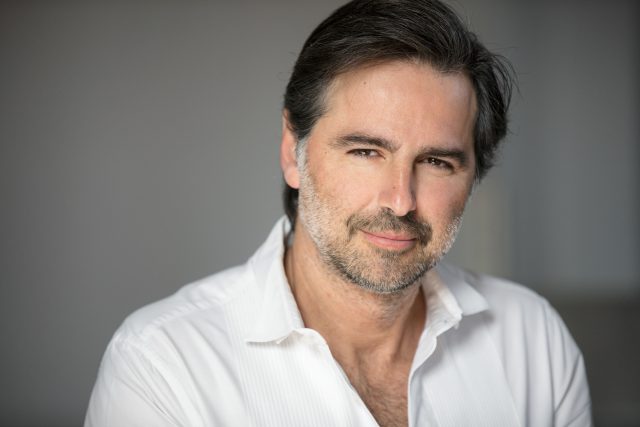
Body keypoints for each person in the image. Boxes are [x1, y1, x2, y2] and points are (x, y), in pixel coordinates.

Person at [85, 0, 592, 426]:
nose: (400, 201)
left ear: (474, 174)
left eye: (437, 162)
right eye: (366, 152)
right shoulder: (163, 365)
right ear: (293, 152)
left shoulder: (533, 342)